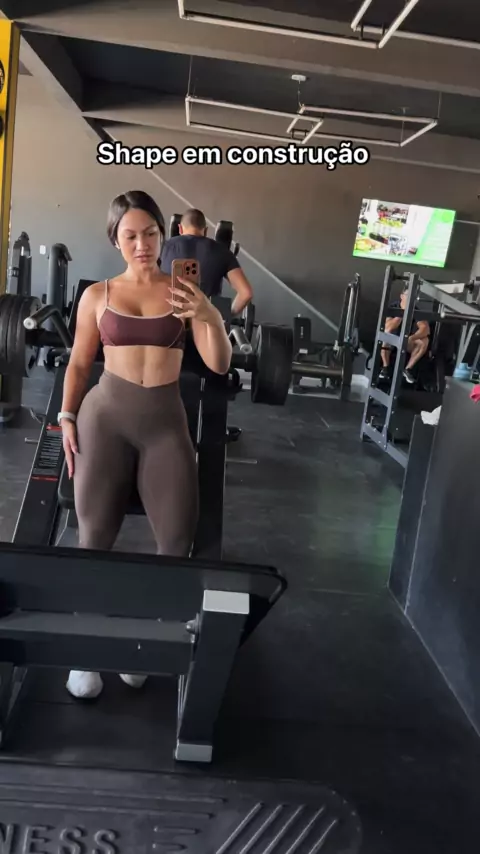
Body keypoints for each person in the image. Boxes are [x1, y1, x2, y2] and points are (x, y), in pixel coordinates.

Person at [59, 190, 232, 700]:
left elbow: (219, 364)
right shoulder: (98, 295)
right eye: (130, 235)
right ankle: (85, 651)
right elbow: (78, 363)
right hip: (106, 418)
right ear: (115, 239)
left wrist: (209, 313)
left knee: (177, 540)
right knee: (94, 536)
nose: (142, 244)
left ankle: (144, 644)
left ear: (164, 235)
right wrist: (67, 415)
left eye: (151, 234)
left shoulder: (183, 293)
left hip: (164, 423)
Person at [160, 208, 253, 315]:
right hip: (205, 320)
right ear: (205, 230)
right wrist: (224, 317)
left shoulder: (162, 247)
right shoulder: (222, 251)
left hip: (169, 317)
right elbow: (246, 293)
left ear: (180, 228)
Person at [379, 286, 430, 384]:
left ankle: (407, 369)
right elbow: (388, 327)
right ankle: (385, 367)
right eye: (408, 296)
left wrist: (412, 338)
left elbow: (425, 329)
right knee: (386, 334)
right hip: (392, 340)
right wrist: (403, 313)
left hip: (406, 341)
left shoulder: (416, 310)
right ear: (402, 296)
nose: (411, 299)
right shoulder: (393, 307)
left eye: (413, 297)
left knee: (424, 341)